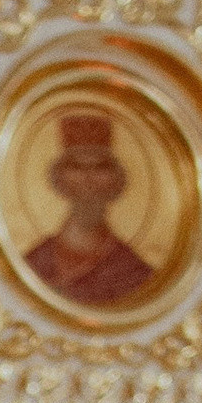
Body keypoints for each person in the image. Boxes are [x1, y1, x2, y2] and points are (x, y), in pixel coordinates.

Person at [22, 108, 157, 305]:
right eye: (77, 167)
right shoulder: (35, 262)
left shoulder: (132, 271)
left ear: (116, 181)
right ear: (59, 179)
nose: (88, 179)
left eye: (100, 168)